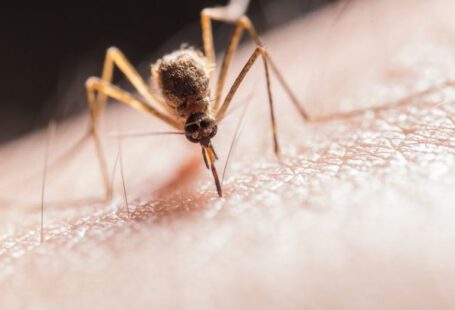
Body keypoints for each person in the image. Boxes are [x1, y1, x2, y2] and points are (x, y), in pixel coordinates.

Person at [1, 0, 455, 308]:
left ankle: (306, 121)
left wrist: (281, 139)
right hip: (176, 85)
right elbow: (99, 85)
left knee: (248, 39)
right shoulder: (177, 113)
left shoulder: (208, 107)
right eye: (197, 131)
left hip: (194, 81)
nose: (202, 136)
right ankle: (100, 181)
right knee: (102, 77)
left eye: (203, 131)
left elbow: (252, 41)